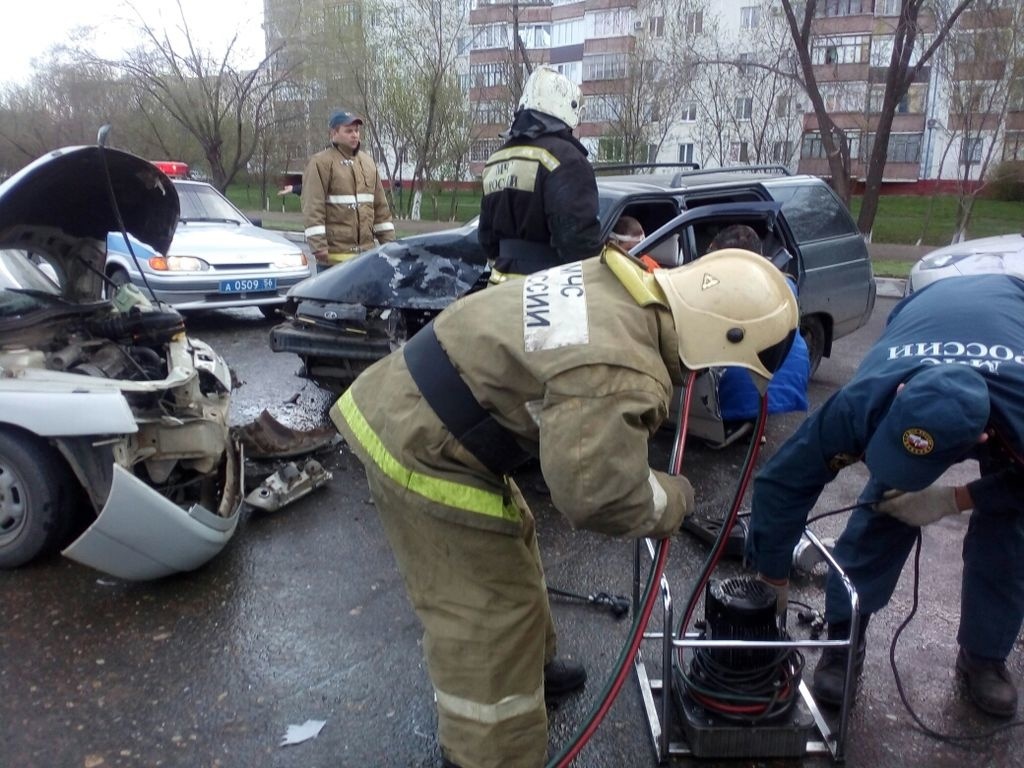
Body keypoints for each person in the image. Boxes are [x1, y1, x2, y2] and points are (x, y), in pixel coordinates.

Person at [331, 246, 799, 768]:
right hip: (420, 443)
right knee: (487, 611)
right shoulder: (620, 367)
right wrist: (676, 499)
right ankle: (490, 752)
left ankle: (531, 668)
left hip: (422, 405)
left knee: (514, 537)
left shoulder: (622, 286)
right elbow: (598, 493)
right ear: (721, 336)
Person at [746, 274, 1024, 718]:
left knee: (1010, 527)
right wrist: (772, 575)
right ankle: (845, 636)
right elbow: (784, 481)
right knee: (885, 506)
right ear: (899, 395)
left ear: (984, 437)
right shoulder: (866, 397)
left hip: (1013, 311)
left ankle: (984, 654)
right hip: (927, 311)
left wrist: (957, 497)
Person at [478, 65, 602, 284]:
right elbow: (576, 241)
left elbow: (487, 240)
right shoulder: (568, 160)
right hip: (545, 294)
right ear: (568, 109)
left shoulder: (497, 158)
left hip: (499, 290)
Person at [709, 225, 810, 444]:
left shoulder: (728, 290)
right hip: (792, 376)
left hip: (748, 382)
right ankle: (751, 419)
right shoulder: (785, 283)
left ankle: (737, 418)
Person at [301, 109, 395, 271]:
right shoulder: (320, 163)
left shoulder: (368, 162)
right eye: (349, 131)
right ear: (334, 133)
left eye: (357, 131)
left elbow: (380, 208)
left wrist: (391, 244)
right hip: (334, 259)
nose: (355, 135)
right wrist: (318, 245)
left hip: (366, 257)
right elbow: (313, 206)